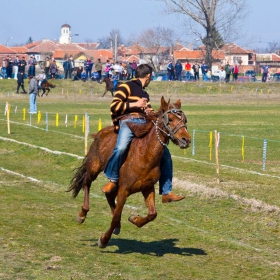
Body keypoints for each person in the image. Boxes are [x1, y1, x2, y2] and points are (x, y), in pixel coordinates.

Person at [102, 63, 185, 203]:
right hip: (128, 122)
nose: (150, 80)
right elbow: (114, 106)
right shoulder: (125, 86)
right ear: (148, 76)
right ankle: (112, 179)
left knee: (166, 156)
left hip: (144, 124)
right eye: (151, 77)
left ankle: (166, 192)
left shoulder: (145, 94)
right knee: (121, 147)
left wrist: (149, 112)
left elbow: (149, 112)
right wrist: (135, 105)